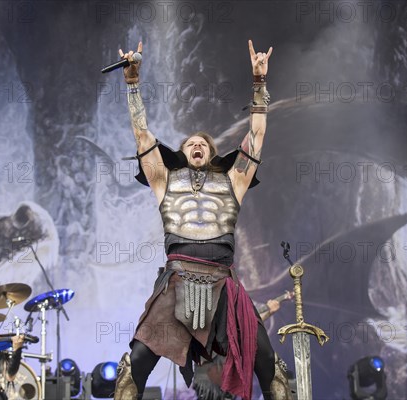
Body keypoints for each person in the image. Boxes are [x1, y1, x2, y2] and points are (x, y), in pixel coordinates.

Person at [113, 40, 292, 400]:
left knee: (270, 367)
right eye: (190, 143)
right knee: (134, 366)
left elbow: (256, 136)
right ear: (182, 153)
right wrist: (132, 83)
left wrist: (259, 82)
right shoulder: (165, 181)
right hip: (177, 280)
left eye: (203, 144)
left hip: (224, 284)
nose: (197, 145)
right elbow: (142, 135)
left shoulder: (232, 182)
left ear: (211, 153)